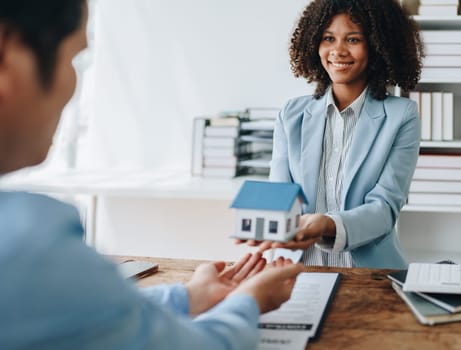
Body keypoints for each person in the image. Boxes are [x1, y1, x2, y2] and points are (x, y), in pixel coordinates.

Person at [0, 1, 303, 349]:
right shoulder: (32, 248)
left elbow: (86, 313)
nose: (74, 85)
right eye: (74, 58)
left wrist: (190, 296)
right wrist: (249, 300)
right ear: (5, 51)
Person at [246, 0, 423, 268]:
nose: (338, 51)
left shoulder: (402, 116)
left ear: (376, 46)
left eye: (353, 39)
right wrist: (264, 224)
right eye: (329, 38)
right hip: (296, 270)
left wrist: (326, 225)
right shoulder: (290, 115)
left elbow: (385, 209)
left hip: (371, 274)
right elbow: (279, 194)